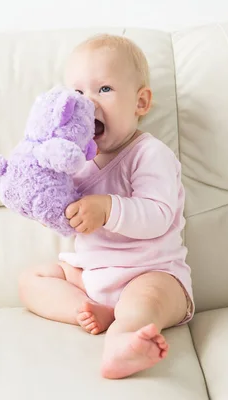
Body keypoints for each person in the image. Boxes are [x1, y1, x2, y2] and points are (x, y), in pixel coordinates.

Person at [18, 33, 194, 379]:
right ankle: (86, 311)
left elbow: (158, 215)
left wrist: (107, 209)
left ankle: (123, 342)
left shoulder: (149, 154)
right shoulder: (77, 162)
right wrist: (46, 201)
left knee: (143, 302)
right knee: (31, 280)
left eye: (104, 90)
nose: (90, 104)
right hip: (91, 274)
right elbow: (68, 217)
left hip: (150, 272)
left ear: (140, 102)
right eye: (79, 93)